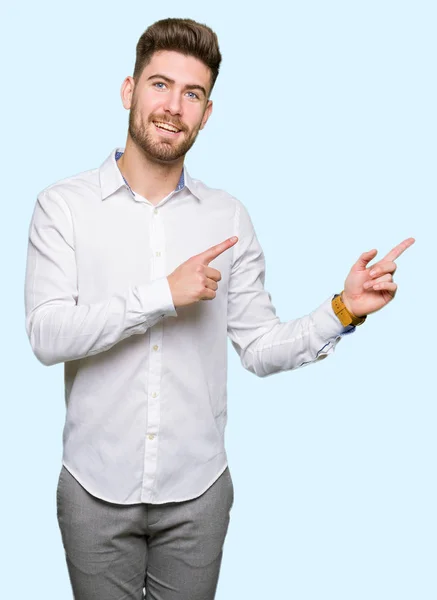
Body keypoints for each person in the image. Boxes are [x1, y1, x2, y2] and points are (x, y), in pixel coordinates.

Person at [24, 17, 415, 600]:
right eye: (160, 85)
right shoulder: (63, 207)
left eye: (192, 93)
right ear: (129, 90)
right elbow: (47, 336)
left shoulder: (228, 217)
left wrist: (342, 309)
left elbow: (258, 348)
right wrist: (163, 294)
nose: (173, 106)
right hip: (94, 493)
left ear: (207, 113)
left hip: (198, 496)